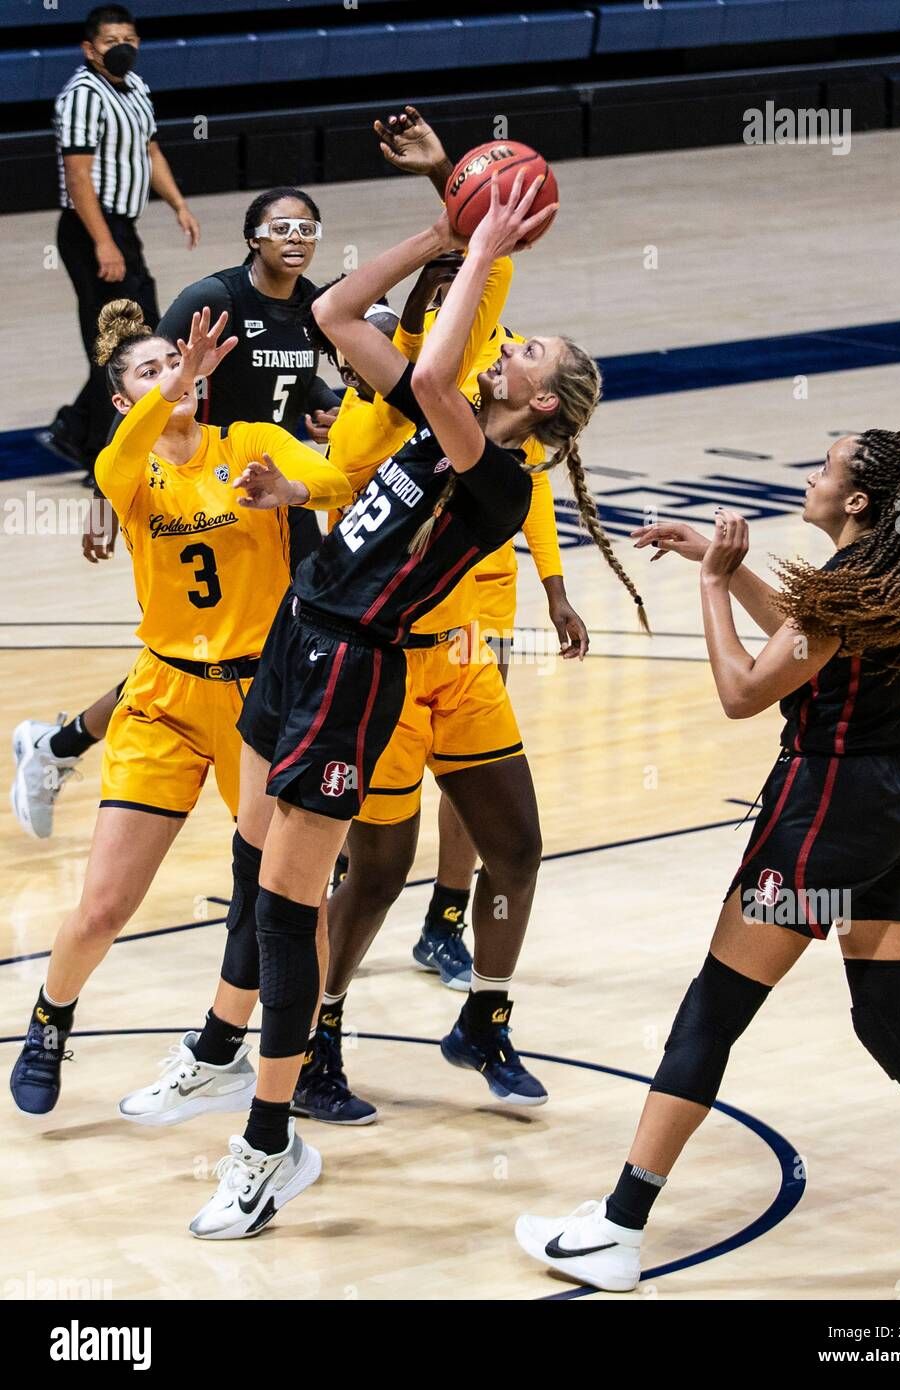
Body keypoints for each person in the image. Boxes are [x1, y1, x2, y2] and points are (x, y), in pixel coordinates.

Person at [185, 173, 619, 1240]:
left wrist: (481, 250)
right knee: (254, 873)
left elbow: (428, 366)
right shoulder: (454, 415)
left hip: (354, 671)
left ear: (545, 400)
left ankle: (267, 1141)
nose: (507, 347)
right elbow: (334, 313)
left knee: (292, 908)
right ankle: (217, 1057)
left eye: (529, 351)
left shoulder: (495, 473)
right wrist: (439, 229)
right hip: (299, 632)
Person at [513, 431, 900, 1291]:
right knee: (888, 1018)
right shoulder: (894, 581)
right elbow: (810, 642)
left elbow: (744, 690)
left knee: (714, 1007)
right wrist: (728, 564)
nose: (809, 477)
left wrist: (708, 584)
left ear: (856, 503)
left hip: (823, 816)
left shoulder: (851, 589)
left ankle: (618, 1231)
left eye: (824, 469)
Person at [9, 301, 352, 1118]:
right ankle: (50, 1019)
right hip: (162, 697)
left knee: (289, 898)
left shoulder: (249, 444)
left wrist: (292, 488)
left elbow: (342, 478)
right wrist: (174, 391)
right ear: (125, 401)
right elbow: (116, 458)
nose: (173, 375)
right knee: (104, 906)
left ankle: (300, 1051)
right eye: (151, 371)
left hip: (257, 702)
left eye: (178, 362)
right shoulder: (124, 469)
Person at [11, 188, 340, 841]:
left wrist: (321, 403)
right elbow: (147, 385)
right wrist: (115, 498)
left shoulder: (314, 309)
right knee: (201, 652)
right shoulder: (211, 300)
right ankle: (65, 745)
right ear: (252, 237)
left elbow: (295, 383)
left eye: (306, 226)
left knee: (271, 646)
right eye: (280, 227)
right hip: (202, 484)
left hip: (274, 484)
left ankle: (64, 744)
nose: (295, 237)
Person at [370, 106, 585, 989]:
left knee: (470, 771)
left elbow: (529, 493)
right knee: (382, 773)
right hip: (389, 590)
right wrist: (444, 178)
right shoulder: (452, 362)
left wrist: (555, 583)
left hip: (475, 603)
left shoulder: (506, 383)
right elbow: (471, 245)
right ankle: (343, 875)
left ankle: (445, 916)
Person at [41, 5, 199, 476]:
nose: (123, 46)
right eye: (111, 40)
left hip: (122, 229)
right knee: (117, 345)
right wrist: (103, 243)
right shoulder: (82, 96)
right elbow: (78, 175)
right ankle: (95, 447)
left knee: (138, 334)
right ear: (90, 49)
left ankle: (76, 430)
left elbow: (151, 151)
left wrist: (178, 204)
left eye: (129, 37)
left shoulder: (137, 89)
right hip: (91, 229)